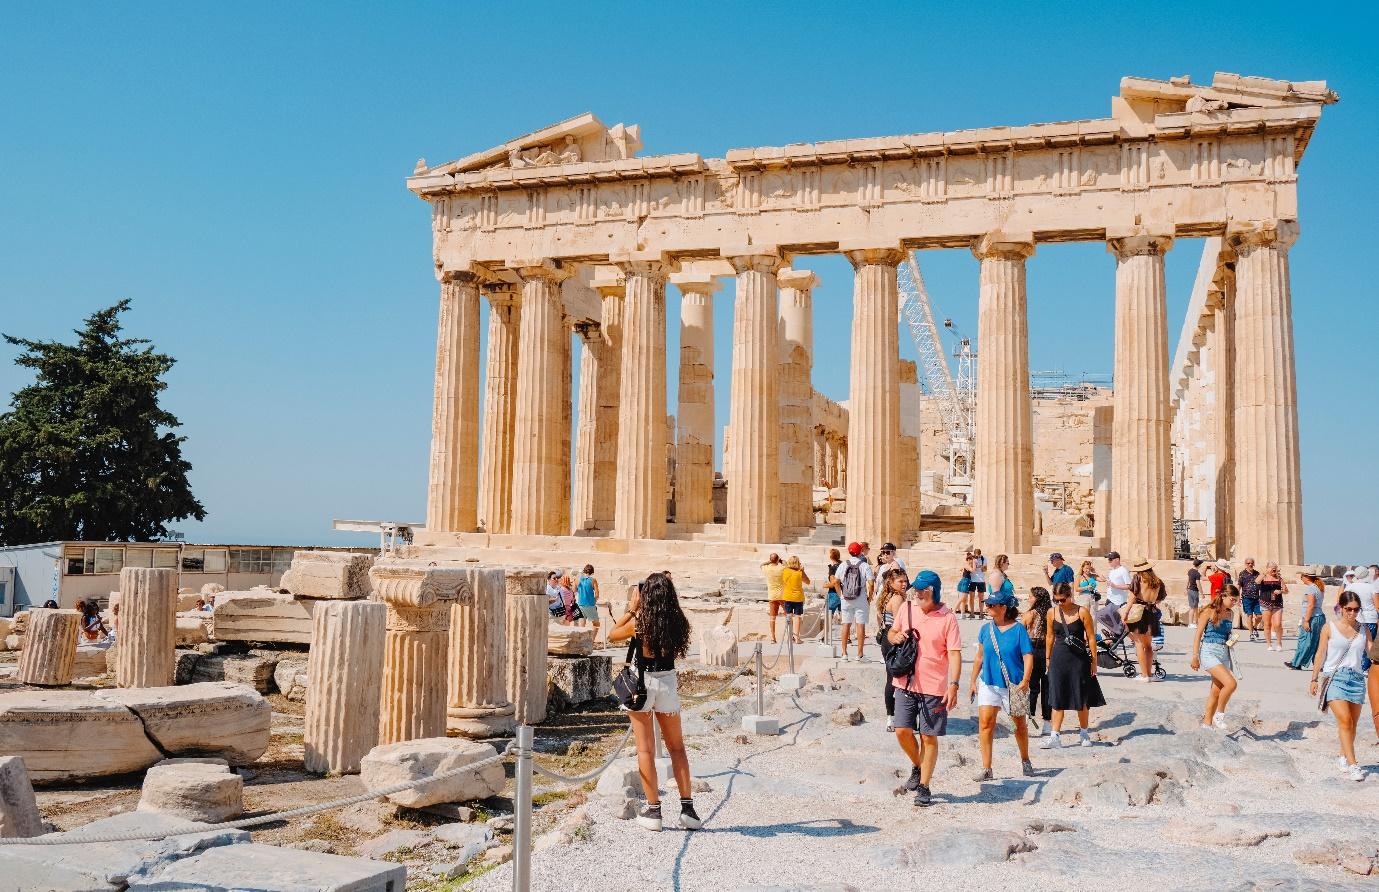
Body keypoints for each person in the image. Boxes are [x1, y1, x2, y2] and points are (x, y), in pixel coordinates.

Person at [607, 572, 704, 828]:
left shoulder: (640, 623)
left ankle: (654, 812)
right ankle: (688, 810)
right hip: (668, 682)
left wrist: (631, 608)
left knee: (645, 750)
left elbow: (611, 634)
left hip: (643, 683)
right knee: (678, 749)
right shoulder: (677, 622)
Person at [888, 570, 960, 807]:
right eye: (916, 590)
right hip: (905, 681)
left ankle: (925, 786)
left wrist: (954, 684)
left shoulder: (948, 618)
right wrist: (895, 637)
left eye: (922, 590)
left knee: (929, 736)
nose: (917, 593)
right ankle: (918, 765)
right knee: (901, 730)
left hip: (934, 686)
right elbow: (891, 633)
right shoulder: (906, 609)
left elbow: (954, 654)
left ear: (932, 591)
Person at [969, 589, 1035, 779]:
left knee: (1019, 726)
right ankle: (987, 768)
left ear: (1004, 607)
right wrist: (973, 681)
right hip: (988, 682)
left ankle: (1025, 759)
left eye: (992, 605)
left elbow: (1027, 656)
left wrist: (1026, 679)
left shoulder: (1018, 629)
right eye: (987, 604)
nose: (987, 607)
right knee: (985, 724)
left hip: (1013, 684)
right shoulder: (985, 629)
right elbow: (979, 657)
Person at [1310, 592, 1369, 781]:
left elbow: (1372, 651)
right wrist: (1314, 678)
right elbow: (1320, 654)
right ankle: (1353, 764)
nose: (1352, 613)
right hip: (1335, 678)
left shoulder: (1363, 629)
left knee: (1353, 724)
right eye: (1348, 609)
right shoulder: (1329, 628)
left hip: (1357, 679)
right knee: (1345, 720)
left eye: (1356, 609)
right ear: (1341, 608)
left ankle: (1343, 755)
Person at [1041, 582, 1103, 748]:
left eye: (1062, 600)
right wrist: (1047, 659)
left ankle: (1084, 733)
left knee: (1081, 696)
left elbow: (1091, 637)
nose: (1059, 603)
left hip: (1079, 659)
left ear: (1070, 596)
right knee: (1056, 696)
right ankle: (1055, 736)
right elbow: (1049, 637)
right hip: (1058, 658)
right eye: (1056, 600)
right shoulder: (1051, 612)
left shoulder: (1082, 611)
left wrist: (1094, 661)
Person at [1190, 583, 1240, 730]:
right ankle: (1220, 715)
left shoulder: (1231, 613)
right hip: (1209, 651)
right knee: (1231, 684)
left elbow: (1226, 636)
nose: (1234, 603)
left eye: (1236, 600)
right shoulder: (1209, 611)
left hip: (1224, 652)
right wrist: (1195, 656)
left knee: (1216, 690)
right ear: (1223, 596)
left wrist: (1233, 640)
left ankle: (1207, 723)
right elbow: (1198, 634)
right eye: (1232, 599)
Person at [877, 565, 909, 732]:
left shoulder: (886, 596)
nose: (904, 584)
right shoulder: (897, 598)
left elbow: (879, 617)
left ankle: (891, 716)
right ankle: (894, 716)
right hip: (893, 639)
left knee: (891, 676)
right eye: (900, 581)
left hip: (885, 637)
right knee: (895, 678)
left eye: (905, 581)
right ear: (891, 582)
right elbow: (899, 623)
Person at [1122, 559, 1162, 682]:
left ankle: (1144, 675)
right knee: (1148, 646)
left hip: (1139, 612)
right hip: (1151, 612)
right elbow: (1159, 599)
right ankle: (1149, 674)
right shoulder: (1157, 581)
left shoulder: (1138, 579)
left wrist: (1125, 613)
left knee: (1138, 643)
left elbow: (1132, 597)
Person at [837, 542, 874, 662]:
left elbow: (836, 581)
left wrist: (840, 594)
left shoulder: (843, 564)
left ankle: (844, 654)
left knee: (845, 625)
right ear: (860, 552)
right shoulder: (864, 565)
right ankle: (860, 654)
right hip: (861, 597)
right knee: (860, 625)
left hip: (846, 598)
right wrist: (869, 597)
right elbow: (871, 583)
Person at [1023, 586, 1053, 736]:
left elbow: (1021, 634)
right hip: (1048, 651)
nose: (1028, 598)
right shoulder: (1051, 613)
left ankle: (1029, 721)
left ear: (1037, 599)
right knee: (1047, 688)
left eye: (1031, 596)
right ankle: (1047, 724)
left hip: (1032, 651)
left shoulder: (1029, 614)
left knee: (1033, 688)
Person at [1286, 572, 1326, 670]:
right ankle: (1318, 664)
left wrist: (1306, 620)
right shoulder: (1318, 587)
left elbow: (1311, 605)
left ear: (1307, 577)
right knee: (1316, 642)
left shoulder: (1311, 588)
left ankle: (1297, 663)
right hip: (1319, 616)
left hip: (1312, 617)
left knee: (1305, 641)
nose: (1301, 579)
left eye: (1302, 577)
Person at [1256, 562, 1287, 652]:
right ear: (1267, 568)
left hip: (1277, 604)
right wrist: (1265, 573)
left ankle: (1279, 642)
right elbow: (1257, 582)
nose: (1274, 569)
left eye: (1275, 568)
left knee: (1278, 624)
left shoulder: (1279, 578)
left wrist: (1281, 591)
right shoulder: (1263, 577)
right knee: (1267, 624)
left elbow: (1286, 590)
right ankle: (1269, 644)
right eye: (1272, 568)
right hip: (1265, 603)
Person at [779, 556, 809, 644]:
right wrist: (802, 571)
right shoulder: (800, 572)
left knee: (788, 617)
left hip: (787, 596)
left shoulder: (785, 570)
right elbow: (808, 582)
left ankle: (789, 637)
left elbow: (785, 565)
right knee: (797, 617)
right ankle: (797, 638)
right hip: (798, 597)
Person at [762, 554, 786, 645]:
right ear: (777, 560)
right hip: (782, 595)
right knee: (788, 616)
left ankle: (773, 638)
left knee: (772, 618)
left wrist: (771, 561)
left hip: (772, 596)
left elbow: (761, 565)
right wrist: (781, 561)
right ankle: (791, 635)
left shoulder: (767, 569)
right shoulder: (782, 568)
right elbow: (787, 566)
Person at [576, 565, 602, 645]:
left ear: (584, 571)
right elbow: (597, 594)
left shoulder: (578, 580)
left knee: (581, 626)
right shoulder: (593, 580)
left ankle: (581, 643)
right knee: (596, 624)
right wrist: (594, 600)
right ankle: (591, 641)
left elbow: (574, 590)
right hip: (590, 605)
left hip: (580, 604)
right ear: (592, 572)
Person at [1237, 558, 1262, 642]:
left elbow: (1261, 585)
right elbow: (1239, 586)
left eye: (1251, 563)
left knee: (1259, 616)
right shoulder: (1242, 574)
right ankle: (1251, 633)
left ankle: (1255, 627)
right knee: (1249, 615)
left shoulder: (1257, 573)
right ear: (1245, 564)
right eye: (1248, 563)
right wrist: (1237, 598)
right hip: (1246, 598)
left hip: (1257, 598)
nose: (1250, 564)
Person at [824, 548, 843, 630]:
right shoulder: (843, 565)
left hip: (834, 594)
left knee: (828, 615)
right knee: (844, 617)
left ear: (831, 557)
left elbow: (833, 584)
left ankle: (825, 636)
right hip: (843, 593)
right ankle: (847, 638)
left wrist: (825, 585)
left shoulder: (832, 568)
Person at [1185, 559, 1204, 630]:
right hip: (1194, 591)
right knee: (1193, 608)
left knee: (1195, 607)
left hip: (1190, 590)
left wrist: (1186, 589)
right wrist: (1202, 593)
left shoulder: (1190, 571)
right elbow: (1198, 584)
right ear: (1199, 565)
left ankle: (1196, 622)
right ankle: (1190, 623)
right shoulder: (1197, 574)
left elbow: (1187, 580)